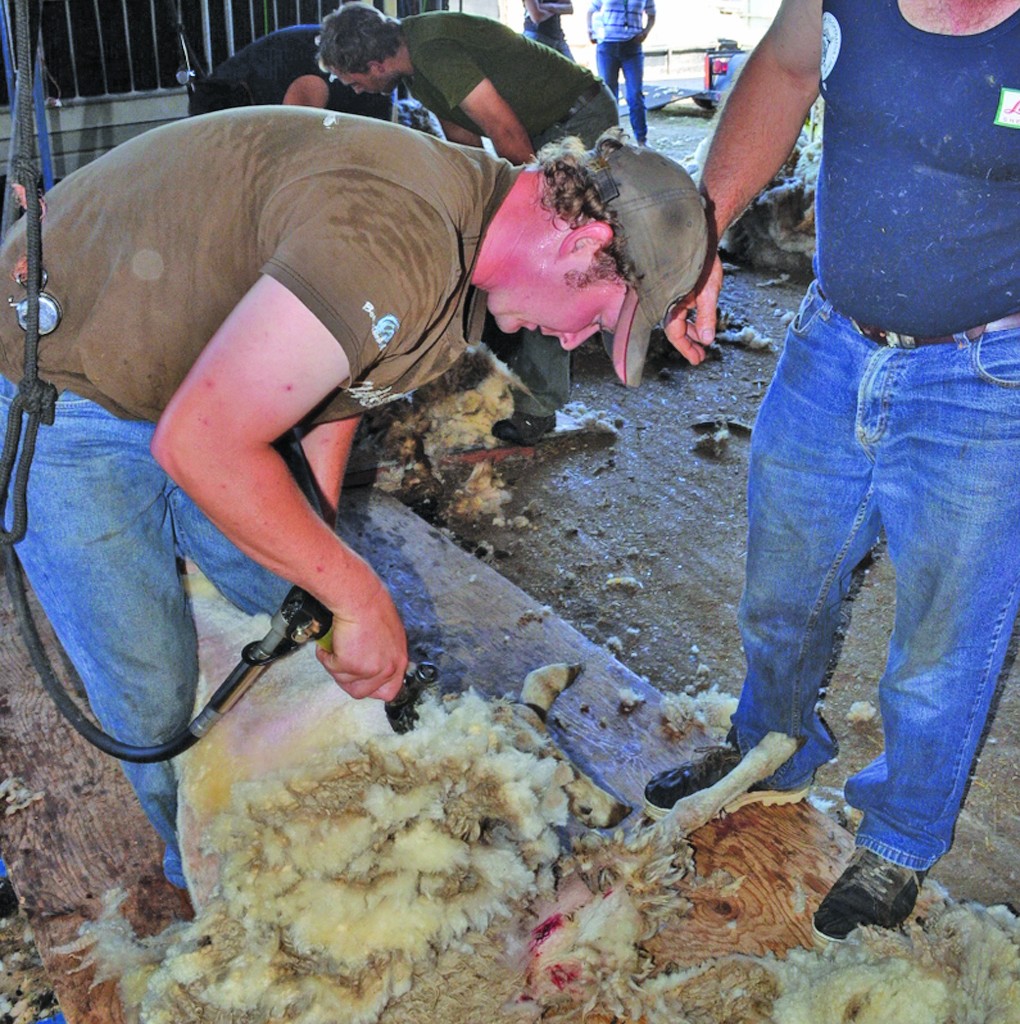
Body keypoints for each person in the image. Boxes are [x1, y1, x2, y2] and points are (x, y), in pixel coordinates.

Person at [0, 111, 707, 889]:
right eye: (599, 319)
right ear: (584, 246)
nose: (575, 342)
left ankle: (316, 794)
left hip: (195, 371)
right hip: (65, 388)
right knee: (149, 684)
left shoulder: (466, 262)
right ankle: (204, 873)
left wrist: (323, 560)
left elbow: (338, 396)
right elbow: (199, 444)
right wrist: (359, 593)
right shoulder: (396, 233)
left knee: (294, 602)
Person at [644, 0, 1020, 943]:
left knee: (945, 637)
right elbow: (780, 72)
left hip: (988, 374)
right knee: (784, 584)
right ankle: (771, 746)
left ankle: (899, 835)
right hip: (832, 342)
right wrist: (702, 236)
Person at [317, 2, 620, 446]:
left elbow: (503, 130)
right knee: (503, 243)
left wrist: (530, 217)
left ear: (376, 63)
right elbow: (465, 143)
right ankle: (515, 358)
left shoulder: (434, 50)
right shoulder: (414, 71)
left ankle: (540, 405)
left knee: (543, 264)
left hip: (578, 121)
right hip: (541, 129)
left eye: (356, 81)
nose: (358, 91)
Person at [187, 24, 392, 121]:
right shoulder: (231, 80)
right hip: (353, 64)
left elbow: (296, 138)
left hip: (363, 93)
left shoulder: (281, 91)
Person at [586, 0, 655, 147]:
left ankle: (642, 139)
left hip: (632, 47)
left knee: (635, 94)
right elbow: (591, 10)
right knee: (609, 96)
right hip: (607, 47)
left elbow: (652, 14)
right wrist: (590, 30)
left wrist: (645, 32)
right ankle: (611, 139)